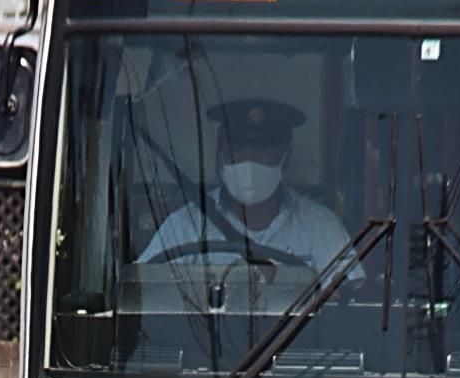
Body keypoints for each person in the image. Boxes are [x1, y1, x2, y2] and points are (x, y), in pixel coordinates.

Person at [138, 98, 350, 270]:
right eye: (238, 150)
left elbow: (345, 298)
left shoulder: (320, 226)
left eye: (264, 151)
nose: (250, 160)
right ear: (221, 155)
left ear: (286, 157)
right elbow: (145, 293)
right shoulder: (185, 226)